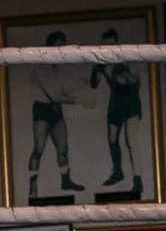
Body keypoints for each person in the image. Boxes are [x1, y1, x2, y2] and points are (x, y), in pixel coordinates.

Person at [28, 31, 84, 199]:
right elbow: (55, 95)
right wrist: (79, 100)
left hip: (56, 110)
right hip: (43, 110)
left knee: (63, 148)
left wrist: (79, 85)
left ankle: (65, 181)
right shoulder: (40, 68)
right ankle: (33, 184)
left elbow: (62, 91)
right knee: (38, 149)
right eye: (58, 47)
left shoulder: (57, 68)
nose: (61, 52)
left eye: (62, 48)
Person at [89, 29, 144, 194]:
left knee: (130, 140)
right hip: (115, 103)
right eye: (104, 45)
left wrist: (123, 69)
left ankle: (137, 179)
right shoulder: (103, 63)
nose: (108, 48)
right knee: (112, 138)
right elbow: (94, 83)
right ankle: (118, 172)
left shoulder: (126, 58)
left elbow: (135, 82)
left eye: (111, 45)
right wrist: (96, 68)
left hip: (131, 102)